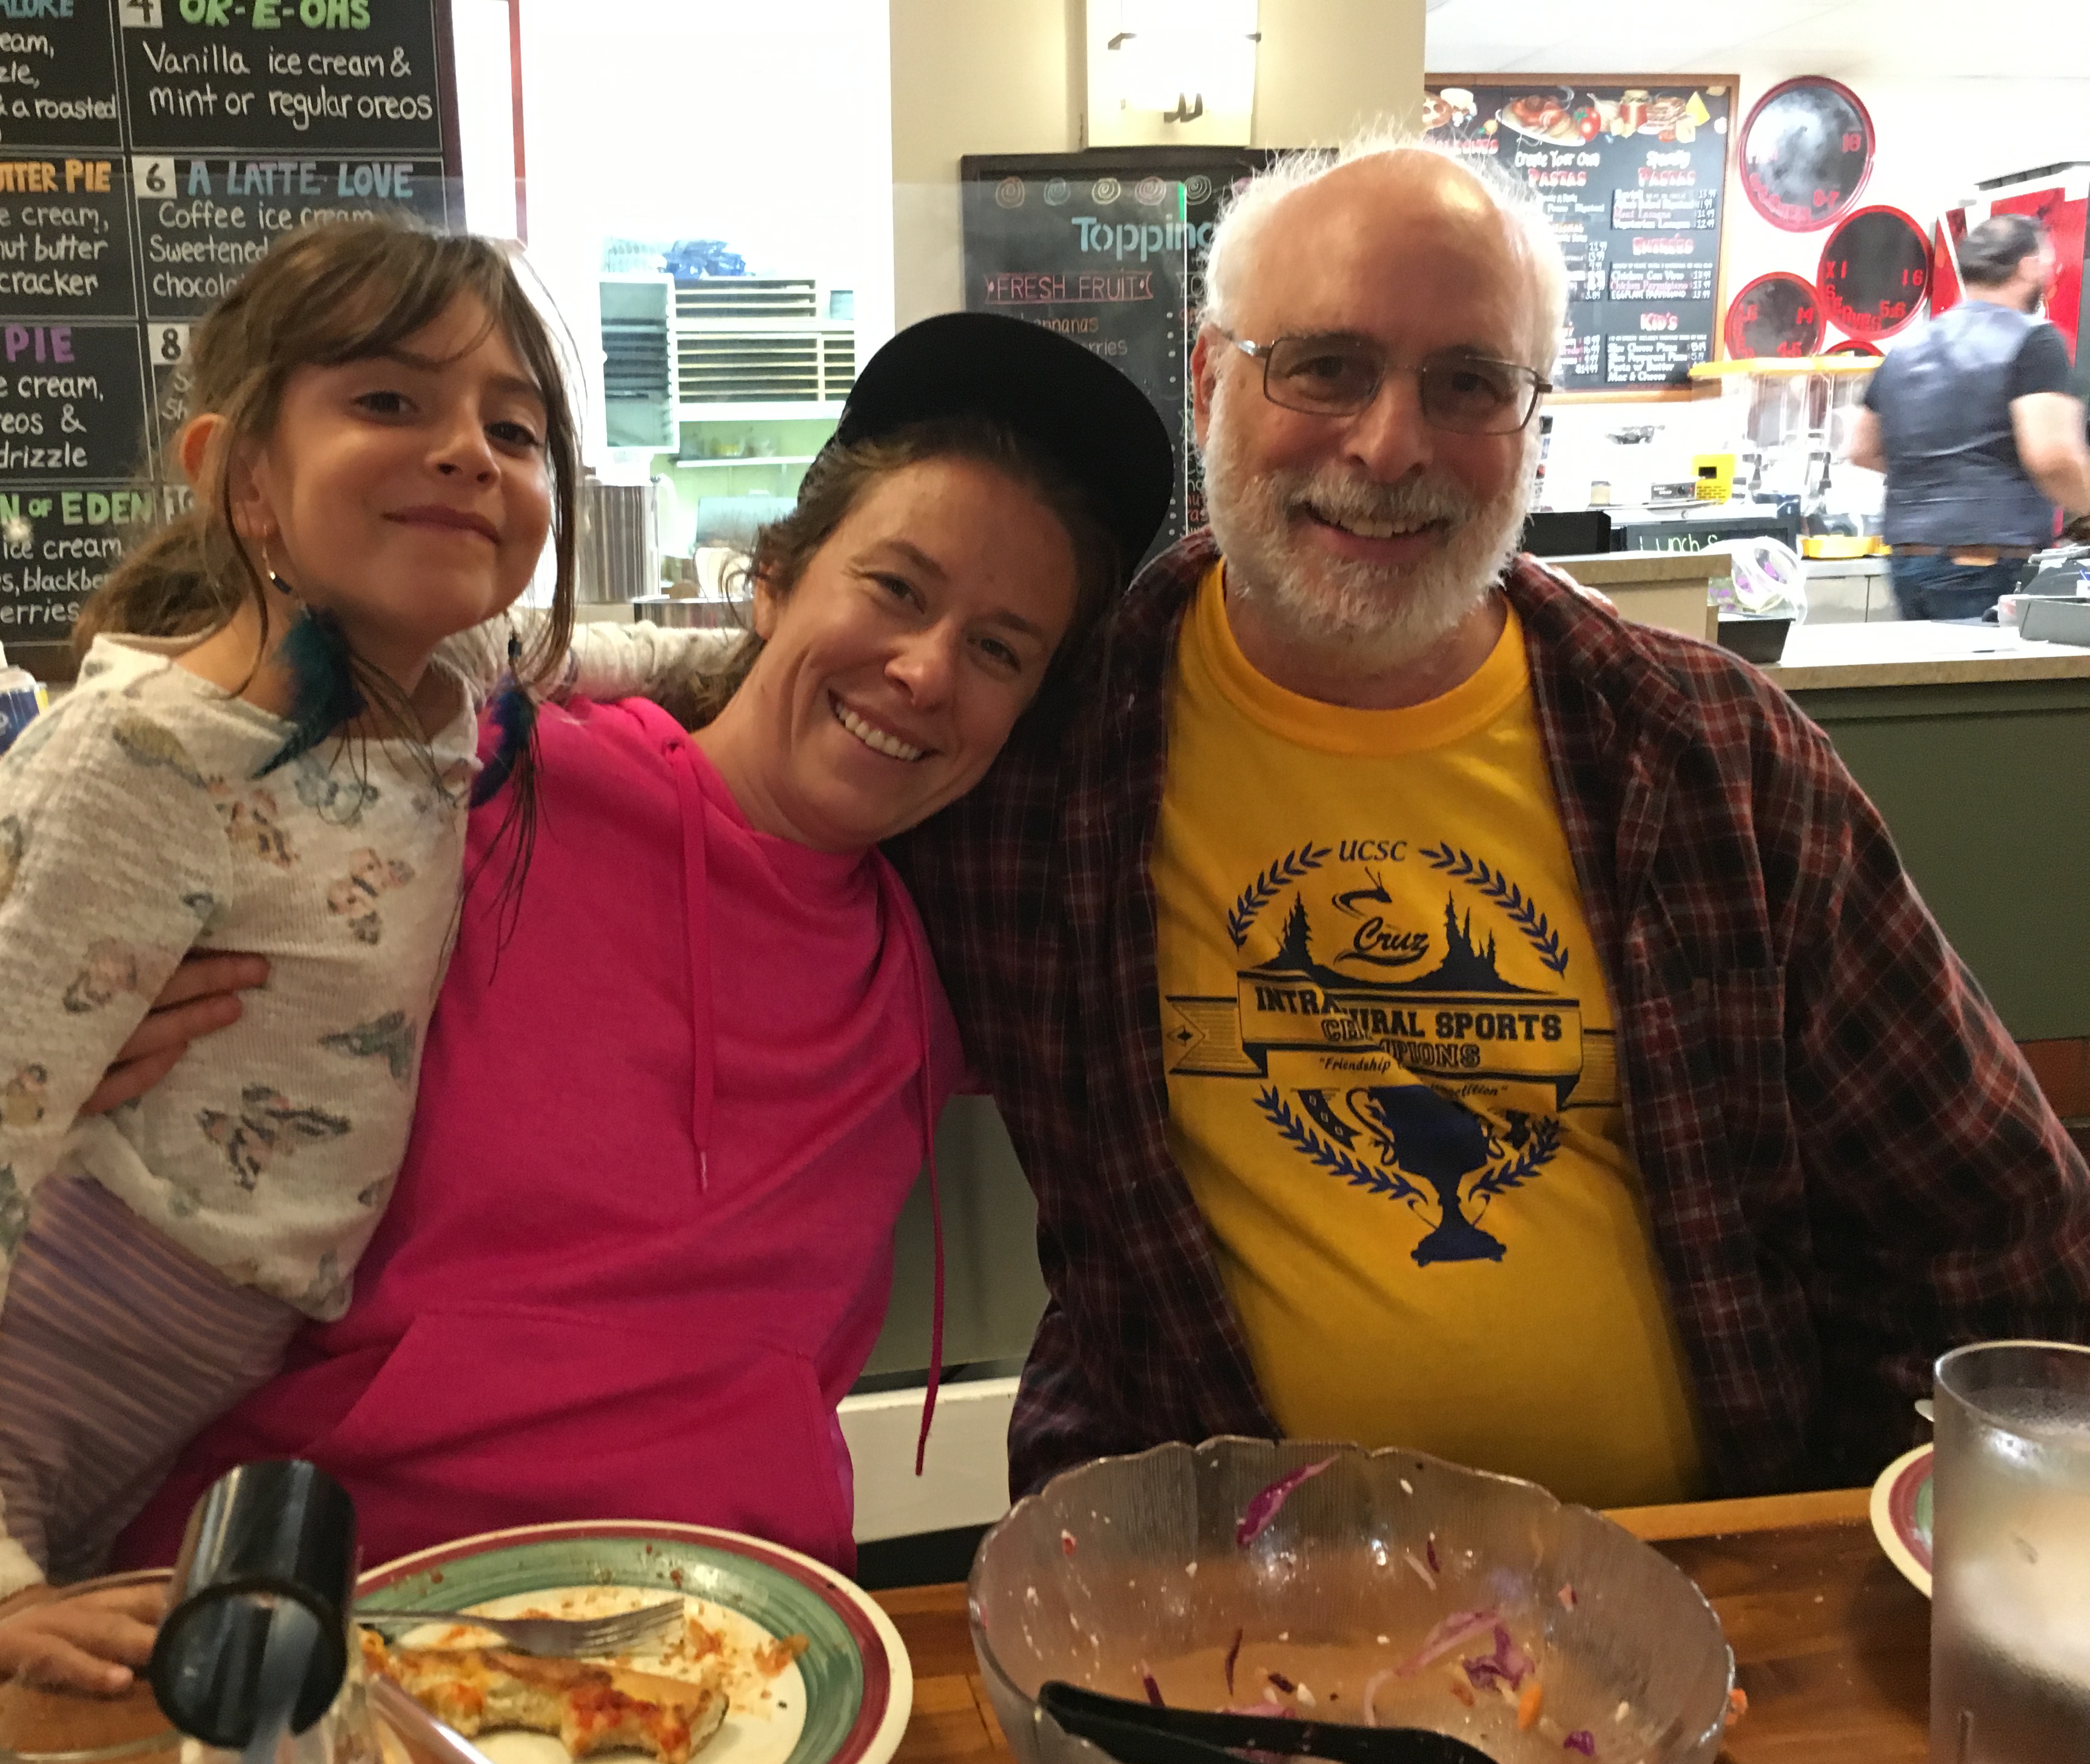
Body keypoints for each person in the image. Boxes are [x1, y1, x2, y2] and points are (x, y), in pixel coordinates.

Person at [891, 138, 2090, 1512]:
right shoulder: (1038, 744)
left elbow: (2000, 1240)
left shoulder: (1717, 758)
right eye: (1325, 366)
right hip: (1201, 1557)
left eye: (1467, 383)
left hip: (1684, 1560)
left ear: (1533, 424)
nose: (1389, 445)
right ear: (1213, 383)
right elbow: (784, 749)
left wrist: (1824, 1552)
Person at [0, 219, 710, 1705]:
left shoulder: (442, 683)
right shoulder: (139, 758)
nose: (466, 451)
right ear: (244, 477)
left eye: (515, 428)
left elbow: (605, 657)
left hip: (135, 1413)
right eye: (389, 400)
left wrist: (767, 648)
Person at [110, 313, 1171, 1583]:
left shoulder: (952, 945)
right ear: (773, 580)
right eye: (895, 588)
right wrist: (110, 982)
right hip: (329, 1593)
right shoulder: (478, 789)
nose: (926, 670)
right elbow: (160, 758)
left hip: (740, 1639)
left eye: (999, 649)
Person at [1847, 212, 2090, 622]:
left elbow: (1862, 448)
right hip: (1987, 565)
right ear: (2028, 267)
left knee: (1927, 664)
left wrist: (1942, 473)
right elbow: (2052, 458)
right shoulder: (2034, 340)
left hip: (1907, 561)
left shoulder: (1908, 346)